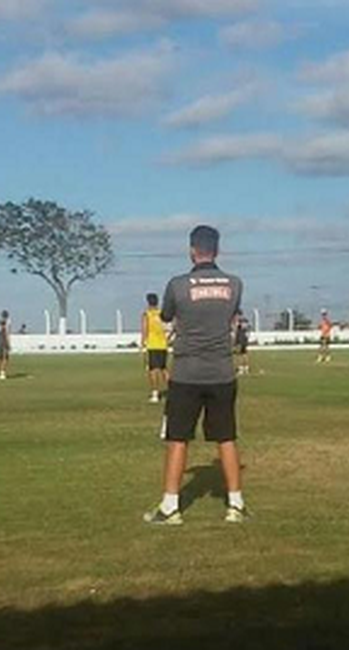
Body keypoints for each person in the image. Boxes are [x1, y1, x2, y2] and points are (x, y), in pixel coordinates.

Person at [145, 225, 247, 525]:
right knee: (226, 438)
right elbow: (230, 315)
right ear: (217, 249)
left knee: (177, 439)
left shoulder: (177, 284)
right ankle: (236, 505)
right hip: (222, 372)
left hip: (186, 373)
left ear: (192, 249)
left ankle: (170, 507)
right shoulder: (235, 283)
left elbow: (166, 317)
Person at [141, 293, 169, 402]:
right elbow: (169, 327)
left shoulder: (147, 314)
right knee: (164, 369)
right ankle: (172, 392)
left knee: (153, 370)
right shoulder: (162, 314)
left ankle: (155, 394)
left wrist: (142, 343)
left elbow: (145, 329)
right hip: (163, 345)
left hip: (152, 345)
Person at [233, 310, 251, 376]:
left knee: (239, 354)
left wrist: (236, 340)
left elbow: (237, 330)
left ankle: (240, 369)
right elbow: (248, 330)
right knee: (244, 353)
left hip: (241, 339)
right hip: (244, 339)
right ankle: (246, 368)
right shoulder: (245, 321)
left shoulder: (239, 321)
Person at [0, 310, 10, 380]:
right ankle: (2, 373)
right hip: (3, 341)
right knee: (5, 358)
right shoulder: (6, 322)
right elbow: (6, 333)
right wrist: (8, 343)